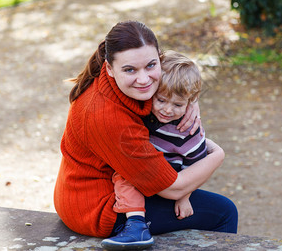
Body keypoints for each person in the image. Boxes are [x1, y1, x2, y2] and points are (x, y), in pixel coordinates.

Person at [53, 21, 238, 250]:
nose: (143, 79)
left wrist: (191, 101)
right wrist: (217, 154)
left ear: (159, 58)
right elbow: (174, 188)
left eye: (151, 66)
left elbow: (178, 76)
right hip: (98, 207)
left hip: (96, 190)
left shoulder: (121, 81)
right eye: (130, 70)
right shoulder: (109, 118)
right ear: (109, 68)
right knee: (223, 212)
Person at [101, 51, 209, 249]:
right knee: (125, 175)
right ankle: (135, 223)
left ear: (190, 102)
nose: (167, 110)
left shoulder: (187, 131)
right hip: (141, 178)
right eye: (161, 100)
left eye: (177, 104)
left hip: (170, 184)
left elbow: (196, 167)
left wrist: (185, 196)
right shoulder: (142, 110)